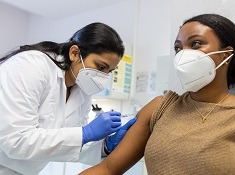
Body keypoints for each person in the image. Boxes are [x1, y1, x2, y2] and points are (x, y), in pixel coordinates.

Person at [79, 14, 235, 175]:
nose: (184, 54)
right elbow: (107, 168)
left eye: (196, 44)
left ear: (226, 54)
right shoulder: (161, 107)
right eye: (178, 48)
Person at [0, 22, 137, 175]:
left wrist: (105, 145)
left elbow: (70, 143)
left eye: (109, 71)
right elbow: (15, 141)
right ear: (74, 53)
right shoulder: (30, 66)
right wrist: (86, 133)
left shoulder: (83, 89)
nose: (103, 76)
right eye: (100, 67)